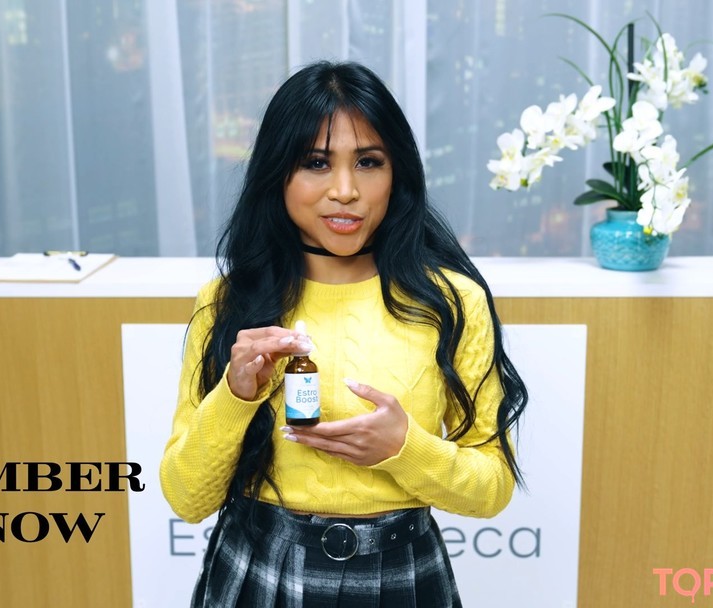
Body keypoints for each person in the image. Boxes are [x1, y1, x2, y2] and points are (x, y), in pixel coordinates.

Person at [160, 60, 527, 608]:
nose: (346, 190)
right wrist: (235, 396)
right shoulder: (229, 301)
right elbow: (187, 498)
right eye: (316, 163)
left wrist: (404, 448)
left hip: (403, 575)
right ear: (277, 173)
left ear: (397, 173)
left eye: (368, 162)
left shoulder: (451, 302)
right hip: (258, 571)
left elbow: (492, 488)